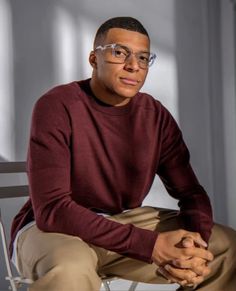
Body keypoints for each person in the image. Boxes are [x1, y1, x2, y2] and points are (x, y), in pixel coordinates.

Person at [10, 16, 236, 291]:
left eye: (143, 58)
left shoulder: (155, 116)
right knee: (71, 268)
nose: (133, 65)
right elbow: (52, 210)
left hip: (118, 225)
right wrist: (151, 245)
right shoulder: (57, 105)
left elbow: (191, 193)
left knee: (225, 248)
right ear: (94, 59)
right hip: (52, 231)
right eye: (120, 52)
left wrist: (193, 248)